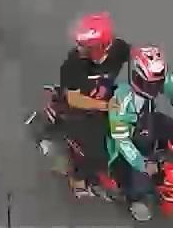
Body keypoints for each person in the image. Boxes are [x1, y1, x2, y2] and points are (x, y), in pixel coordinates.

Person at [107, 44, 173, 210]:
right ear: (138, 77)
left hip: (147, 124)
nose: (156, 89)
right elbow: (122, 142)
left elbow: (170, 83)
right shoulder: (120, 102)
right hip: (126, 150)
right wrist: (143, 165)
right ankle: (133, 197)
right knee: (144, 194)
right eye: (152, 85)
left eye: (157, 84)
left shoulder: (154, 79)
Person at [56, 12, 131, 197]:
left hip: (108, 99)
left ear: (101, 46)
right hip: (81, 109)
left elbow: (136, 57)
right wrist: (104, 106)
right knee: (91, 145)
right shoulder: (72, 64)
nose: (80, 49)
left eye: (86, 47)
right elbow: (74, 99)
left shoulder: (119, 49)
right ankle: (78, 178)